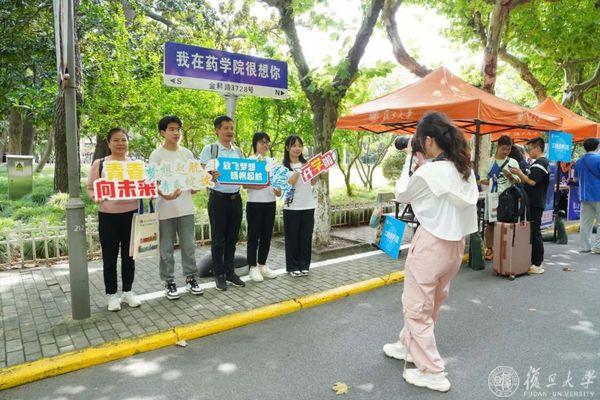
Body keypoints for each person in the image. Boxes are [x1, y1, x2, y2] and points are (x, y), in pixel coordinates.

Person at [383, 112, 478, 392]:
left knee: (416, 307)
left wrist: (408, 161)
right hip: (454, 246)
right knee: (431, 303)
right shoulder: (464, 169)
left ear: (427, 141)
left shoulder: (429, 171)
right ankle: (407, 344)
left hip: (431, 244)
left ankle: (433, 370)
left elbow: (402, 193)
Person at [86, 128, 141, 311]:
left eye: (123, 140)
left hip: (131, 215)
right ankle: (111, 295)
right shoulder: (100, 164)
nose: (120, 144)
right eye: (116, 140)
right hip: (108, 216)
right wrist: (95, 197)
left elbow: (144, 185)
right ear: (109, 143)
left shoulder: (135, 165)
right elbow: (90, 188)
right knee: (109, 258)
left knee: (129, 256)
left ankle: (127, 292)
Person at [149, 116, 203, 300]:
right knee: (166, 249)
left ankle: (191, 278)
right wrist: (164, 194)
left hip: (186, 208)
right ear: (162, 132)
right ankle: (169, 282)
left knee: (189, 247)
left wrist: (196, 186)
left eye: (178, 129)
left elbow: (195, 179)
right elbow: (151, 182)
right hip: (165, 210)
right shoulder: (156, 155)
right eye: (171, 129)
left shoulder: (187, 154)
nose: (176, 133)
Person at [199, 116, 245, 291]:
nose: (229, 131)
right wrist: (210, 176)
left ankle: (230, 272)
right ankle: (219, 274)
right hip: (218, 199)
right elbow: (202, 176)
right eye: (225, 128)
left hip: (235, 199)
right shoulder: (210, 150)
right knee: (218, 239)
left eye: (231, 128)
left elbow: (243, 173)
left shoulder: (238, 151)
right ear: (217, 130)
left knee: (232, 238)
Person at [509, 137, 550, 274]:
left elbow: (532, 182)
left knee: (535, 231)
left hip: (535, 202)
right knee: (533, 231)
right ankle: (534, 261)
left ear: (537, 148)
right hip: (534, 201)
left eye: (529, 149)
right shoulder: (539, 163)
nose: (528, 152)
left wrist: (519, 173)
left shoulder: (540, 163)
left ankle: (537, 263)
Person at [479, 135, 521, 260]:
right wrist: (493, 181)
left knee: (507, 225)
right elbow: (482, 179)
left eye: (508, 149)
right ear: (498, 147)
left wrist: (510, 177)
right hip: (492, 198)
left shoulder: (513, 162)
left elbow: (518, 181)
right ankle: (489, 249)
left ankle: (505, 249)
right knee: (490, 224)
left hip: (508, 199)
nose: (505, 152)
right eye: (503, 149)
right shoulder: (489, 162)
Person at [246, 132, 280, 282]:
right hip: (254, 203)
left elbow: (278, 185)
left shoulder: (272, 162)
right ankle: (252, 268)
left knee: (266, 236)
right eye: (262, 142)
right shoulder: (250, 161)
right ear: (255, 144)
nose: (265, 145)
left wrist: (278, 190)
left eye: (267, 142)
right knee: (253, 237)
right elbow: (244, 185)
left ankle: (262, 265)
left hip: (270, 203)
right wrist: (261, 184)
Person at [282, 135, 319, 277]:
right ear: (287, 148)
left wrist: (318, 172)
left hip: (308, 205)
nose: (297, 148)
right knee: (292, 239)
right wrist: (299, 171)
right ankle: (292, 267)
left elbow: (313, 182)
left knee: (305, 238)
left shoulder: (307, 163)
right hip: (291, 207)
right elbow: (288, 184)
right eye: (294, 146)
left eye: (299, 146)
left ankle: (304, 265)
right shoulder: (283, 167)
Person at [573, 138, 600, 253]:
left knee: (585, 223)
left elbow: (575, 179)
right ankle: (598, 247)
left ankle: (585, 247)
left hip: (584, 196)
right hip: (598, 195)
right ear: (597, 146)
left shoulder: (579, 161)